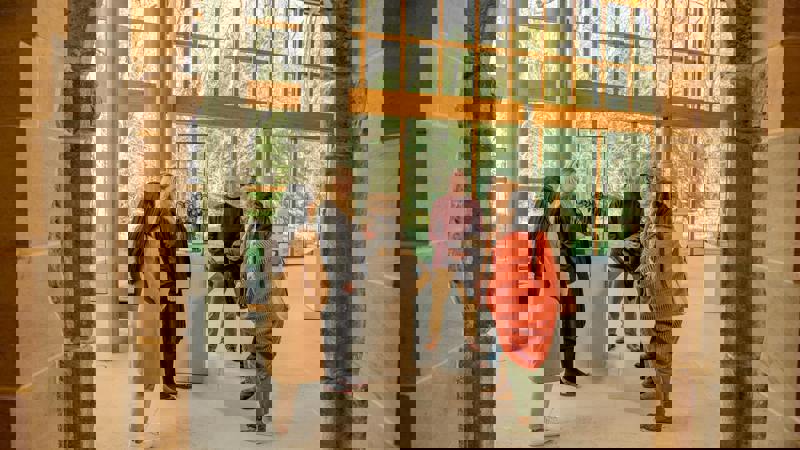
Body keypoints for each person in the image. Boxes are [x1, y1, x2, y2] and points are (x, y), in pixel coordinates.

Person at [489, 179, 562, 446]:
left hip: (522, 314)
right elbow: (544, 280)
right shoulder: (528, 241)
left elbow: (498, 285)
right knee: (539, 369)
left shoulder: (509, 242)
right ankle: (535, 427)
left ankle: (535, 423)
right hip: (536, 314)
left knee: (532, 370)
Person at [128, 174, 190, 445]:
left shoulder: (155, 226)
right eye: (164, 192)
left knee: (165, 344)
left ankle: (166, 383)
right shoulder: (147, 233)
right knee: (146, 370)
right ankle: (139, 432)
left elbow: (179, 255)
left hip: (157, 300)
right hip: (152, 304)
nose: (169, 196)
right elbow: (144, 272)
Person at [238, 188, 289, 435]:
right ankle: (258, 393)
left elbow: (262, 273)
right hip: (258, 300)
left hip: (265, 302)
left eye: (253, 201)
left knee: (263, 356)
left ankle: (261, 415)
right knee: (256, 352)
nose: (249, 203)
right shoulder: (257, 229)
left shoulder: (266, 238)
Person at [536, 169, 592, 394]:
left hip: (560, 275)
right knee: (568, 321)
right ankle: (563, 373)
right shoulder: (551, 215)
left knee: (570, 320)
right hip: (560, 277)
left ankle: (568, 369)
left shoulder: (546, 215)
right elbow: (567, 243)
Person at [637, 181, 687, 432]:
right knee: (654, 349)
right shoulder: (661, 230)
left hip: (665, 305)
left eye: (647, 201)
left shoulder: (662, 236)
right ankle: (657, 392)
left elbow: (660, 276)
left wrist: (644, 286)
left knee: (662, 357)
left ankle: (662, 415)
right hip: (663, 304)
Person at [606, 189, 644, 352]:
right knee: (615, 299)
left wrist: (640, 236)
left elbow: (646, 231)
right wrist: (625, 242)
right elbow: (608, 237)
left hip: (634, 260)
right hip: (618, 259)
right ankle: (611, 335)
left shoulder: (641, 205)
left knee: (630, 301)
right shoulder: (616, 204)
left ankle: (629, 336)